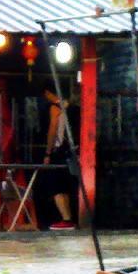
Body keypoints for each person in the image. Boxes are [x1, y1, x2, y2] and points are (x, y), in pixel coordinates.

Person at [45, 98, 79, 230]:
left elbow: (53, 130)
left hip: (59, 150)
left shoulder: (56, 108)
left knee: (56, 187)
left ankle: (66, 218)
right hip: (71, 151)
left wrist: (48, 152)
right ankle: (68, 218)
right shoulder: (73, 108)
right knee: (65, 186)